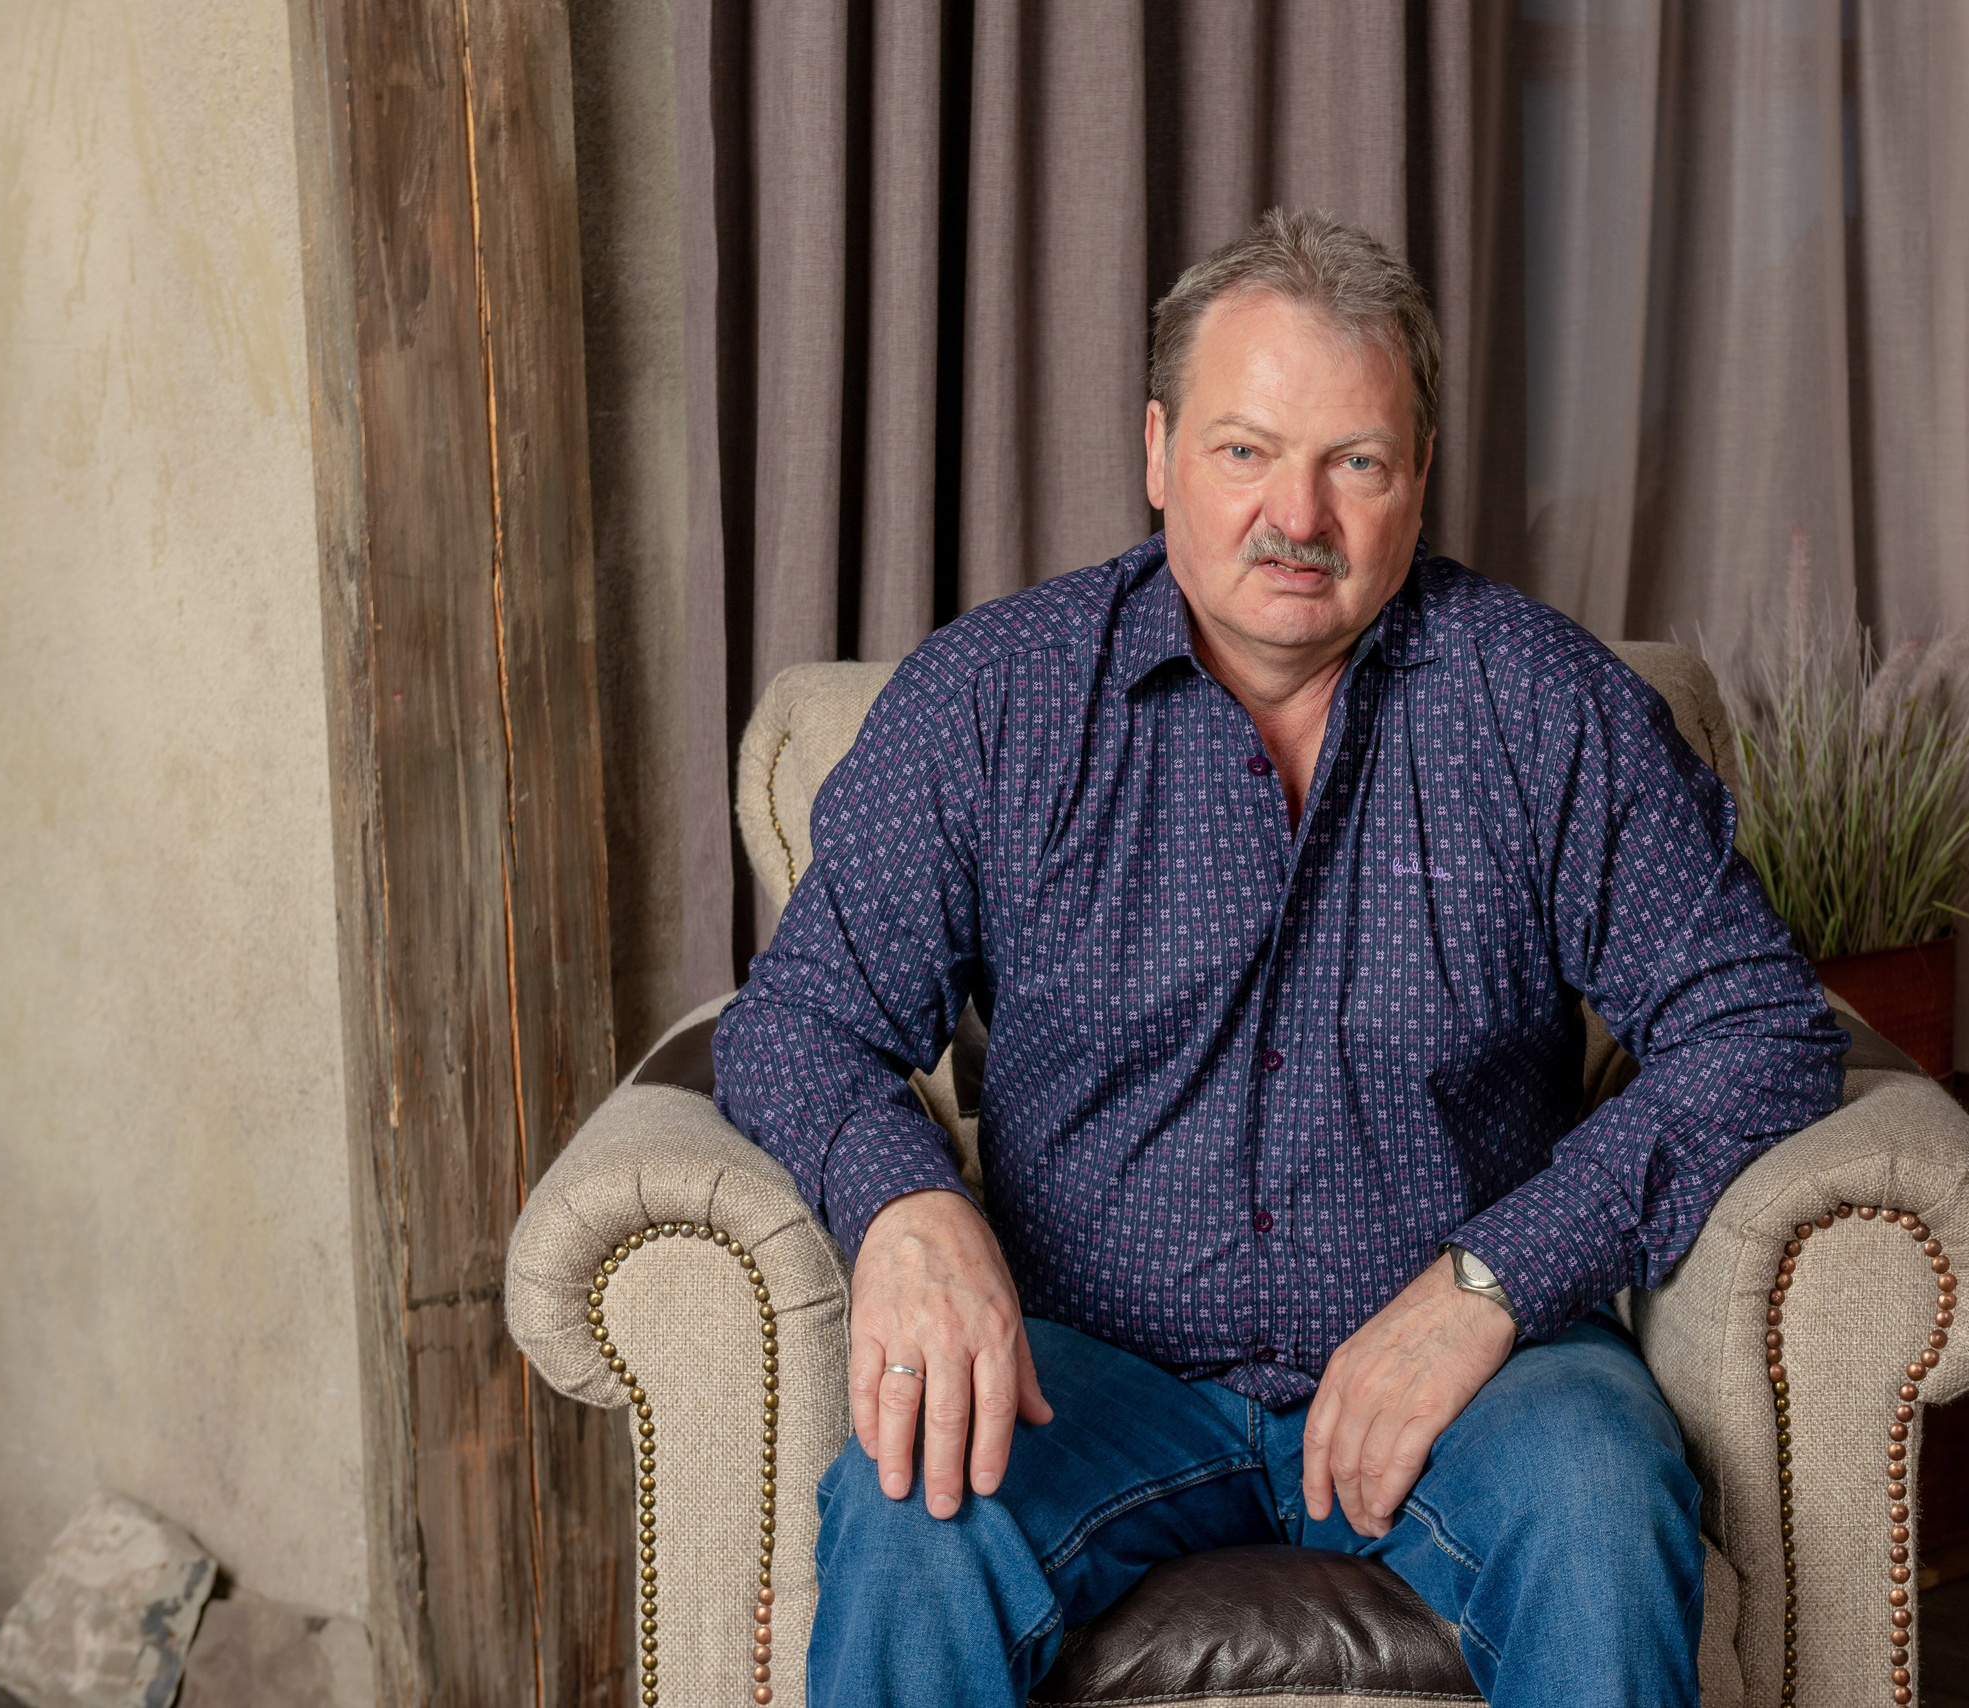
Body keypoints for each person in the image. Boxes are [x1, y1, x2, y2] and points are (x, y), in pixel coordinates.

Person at [712, 207, 1845, 1708]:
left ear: (1418, 478)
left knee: (1596, 1489)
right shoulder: (991, 703)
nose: (1294, 515)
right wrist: (907, 1202)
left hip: (1478, 1383)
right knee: (916, 1515)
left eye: (1353, 462)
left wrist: (1494, 1281)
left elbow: (1763, 1030)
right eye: (1246, 450)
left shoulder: (1542, 708)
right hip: (1085, 1373)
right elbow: (793, 1026)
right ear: (1159, 451)